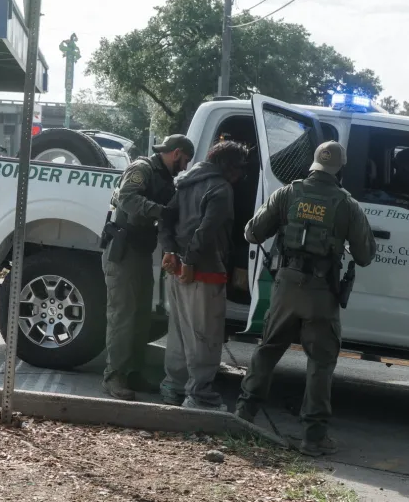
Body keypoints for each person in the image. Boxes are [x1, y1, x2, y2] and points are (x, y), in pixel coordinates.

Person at [234, 141, 375, 457]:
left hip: (285, 288)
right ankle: (313, 437)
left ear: (314, 163)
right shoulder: (347, 205)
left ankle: (243, 416)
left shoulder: (287, 194)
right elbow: (365, 255)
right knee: (320, 363)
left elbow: (253, 233)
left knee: (268, 350)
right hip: (321, 293)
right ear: (340, 168)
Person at [158, 140, 249, 411]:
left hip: (177, 269)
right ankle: (200, 397)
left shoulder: (184, 181)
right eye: (240, 168)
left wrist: (170, 252)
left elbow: (166, 218)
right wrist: (190, 261)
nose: (241, 175)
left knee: (179, 331)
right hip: (204, 270)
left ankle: (173, 388)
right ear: (229, 166)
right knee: (205, 337)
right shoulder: (221, 189)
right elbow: (206, 231)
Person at [102, 134, 194, 401]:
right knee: (123, 316)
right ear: (176, 153)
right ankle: (113, 377)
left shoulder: (164, 177)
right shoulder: (142, 169)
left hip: (140, 252)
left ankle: (132, 373)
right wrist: (161, 211)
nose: (185, 167)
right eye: (185, 160)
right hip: (123, 251)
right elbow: (127, 199)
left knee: (141, 316)